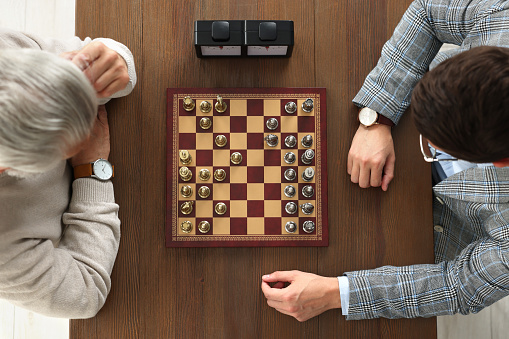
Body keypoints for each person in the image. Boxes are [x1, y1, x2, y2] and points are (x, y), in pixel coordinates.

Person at [261, 0, 509, 321]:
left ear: (501, 163)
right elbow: (427, 11)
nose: (426, 145)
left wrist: (335, 293)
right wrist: (377, 118)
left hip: (430, 230)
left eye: (434, 146)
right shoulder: (501, 18)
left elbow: (458, 286)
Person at [0, 27, 136, 319]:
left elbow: (110, 55)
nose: (90, 129)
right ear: (10, 169)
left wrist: (115, 63)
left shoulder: (6, 48)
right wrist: (91, 168)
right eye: (69, 146)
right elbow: (85, 294)